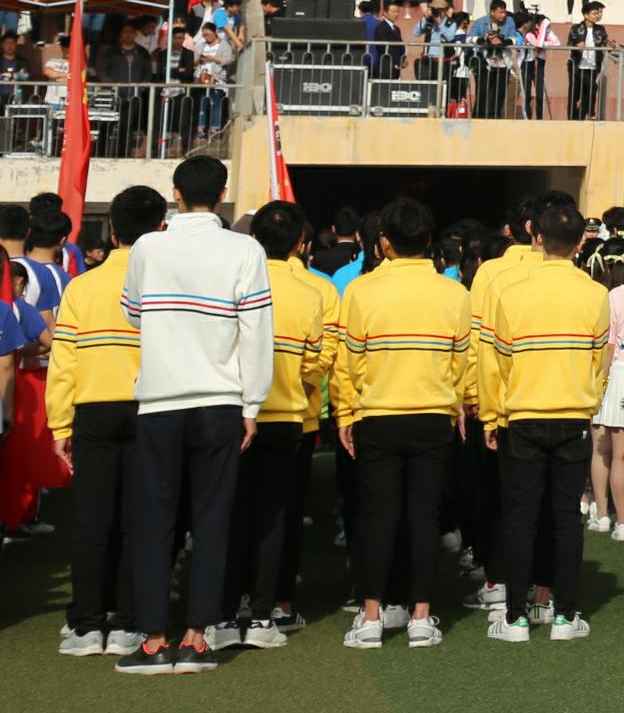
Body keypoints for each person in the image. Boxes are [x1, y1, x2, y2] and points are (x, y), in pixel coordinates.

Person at [114, 154, 274, 675]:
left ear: (176, 194)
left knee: (154, 523)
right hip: (220, 401)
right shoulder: (245, 249)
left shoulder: (148, 246)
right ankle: (197, 638)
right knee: (212, 522)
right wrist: (252, 404)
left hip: (161, 400)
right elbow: (257, 331)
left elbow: (133, 312)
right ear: (223, 195)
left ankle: (154, 640)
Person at [333, 195, 471, 651]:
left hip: (378, 413)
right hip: (433, 414)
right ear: (429, 240)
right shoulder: (454, 292)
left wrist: (348, 411)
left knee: (377, 515)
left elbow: (348, 361)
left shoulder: (361, 291)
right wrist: (453, 401)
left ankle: (372, 617)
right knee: (424, 518)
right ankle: (421, 617)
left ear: (384, 244)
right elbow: (461, 361)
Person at [483, 200, 612, 644]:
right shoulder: (594, 292)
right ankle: (564, 614)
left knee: (520, 519)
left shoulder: (511, 291)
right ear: (580, 244)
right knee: (565, 517)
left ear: (536, 237)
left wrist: (492, 415)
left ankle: (516, 617)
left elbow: (496, 361)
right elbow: (600, 359)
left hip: (522, 414)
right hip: (573, 415)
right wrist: (589, 398)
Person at [47, 183, 162, 658]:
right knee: (141, 520)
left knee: (92, 522)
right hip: (150, 406)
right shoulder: (164, 285)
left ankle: (87, 623)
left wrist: (60, 425)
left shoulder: (82, 285)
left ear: (112, 230)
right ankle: (128, 623)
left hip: (93, 408)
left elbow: (63, 361)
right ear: (160, 228)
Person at [229, 201, 335, 648]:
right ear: (300, 243)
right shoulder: (312, 292)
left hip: (234, 414)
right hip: (290, 415)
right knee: (278, 516)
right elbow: (321, 356)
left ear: (254, 238)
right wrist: (302, 385)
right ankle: (268, 610)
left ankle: (225, 611)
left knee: (233, 512)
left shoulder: (232, 283)